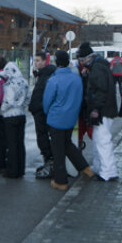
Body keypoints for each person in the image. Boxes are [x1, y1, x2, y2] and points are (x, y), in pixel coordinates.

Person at [43, 50, 94, 190]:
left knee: (58, 150)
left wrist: (48, 112)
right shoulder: (76, 78)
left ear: (56, 62)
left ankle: (61, 181)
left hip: (56, 118)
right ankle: (84, 167)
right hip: (71, 117)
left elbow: (47, 101)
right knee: (67, 144)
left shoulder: (53, 80)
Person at [76, 42, 119, 182]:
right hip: (105, 110)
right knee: (99, 141)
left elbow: (100, 90)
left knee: (102, 142)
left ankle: (108, 172)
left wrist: (95, 109)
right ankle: (100, 168)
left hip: (102, 111)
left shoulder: (97, 69)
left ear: (88, 58)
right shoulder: (100, 66)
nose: (82, 63)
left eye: (82, 60)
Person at [0, 61, 29, 179]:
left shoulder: (9, 84)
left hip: (10, 117)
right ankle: (21, 169)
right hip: (21, 115)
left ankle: (12, 170)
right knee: (20, 143)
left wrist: (3, 109)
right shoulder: (24, 82)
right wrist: (21, 106)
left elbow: (8, 101)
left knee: (12, 144)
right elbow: (27, 99)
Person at [28, 52, 56, 179]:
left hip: (42, 112)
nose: (36, 63)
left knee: (44, 138)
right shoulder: (42, 75)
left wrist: (39, 107)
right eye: (35, 60)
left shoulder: (47, 76)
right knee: (42, 138)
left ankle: (50, 164)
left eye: (38, 60)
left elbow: (45, 95)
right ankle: (47, 162)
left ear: (45, 61)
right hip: (39, 111)